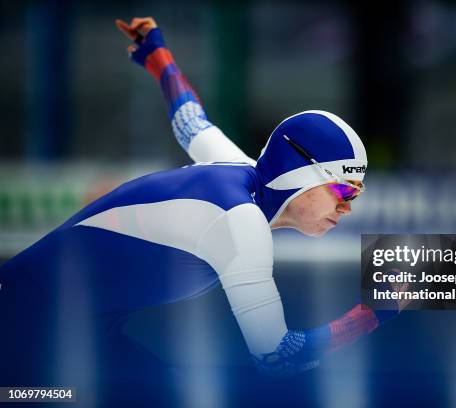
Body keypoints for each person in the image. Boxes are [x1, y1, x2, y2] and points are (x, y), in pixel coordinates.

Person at [0, 17, 401, 386]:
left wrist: (158, 58)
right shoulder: (239, 220)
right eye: (346, 190)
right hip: (22, 324)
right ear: (303, 175)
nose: (348, 208)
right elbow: (278, 357)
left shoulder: (236, 168)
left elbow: (188, 119)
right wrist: (375, 313)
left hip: (74, 326)